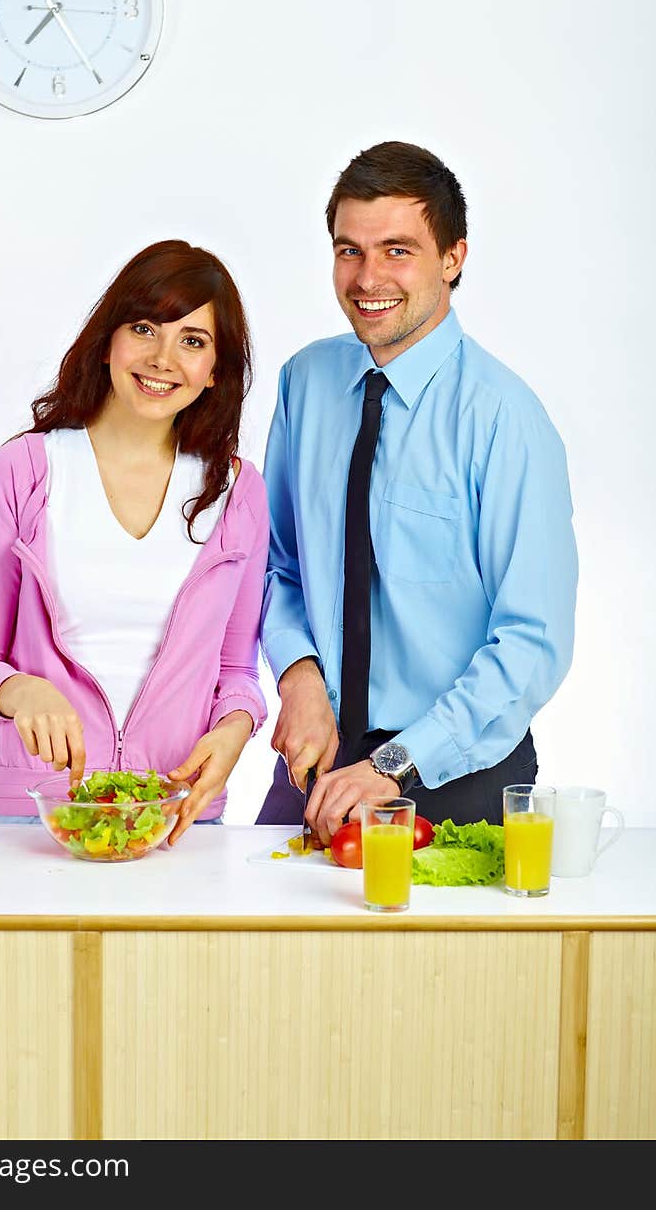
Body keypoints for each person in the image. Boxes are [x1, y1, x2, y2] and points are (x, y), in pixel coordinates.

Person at [256, 141, 578, 840]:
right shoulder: (305, 384)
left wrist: (397, 763)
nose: (368, 276)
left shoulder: (504, 418)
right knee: (262, 944)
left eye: (398, 250)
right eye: (349, 250)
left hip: (457, 769)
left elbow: (533, 640)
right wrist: (298, 674)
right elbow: (277, 563)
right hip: (321, 758)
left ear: (453, 259)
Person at [0, 240, 269, 844]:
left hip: (175, 817)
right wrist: (19, 690)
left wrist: (236, 728)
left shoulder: (238, 490)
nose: (162, 357)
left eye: (193, 341)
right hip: (31, 816)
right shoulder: (25, 470)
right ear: (109, 341)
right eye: (145, 328)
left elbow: (235, 672)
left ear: (216, 370)